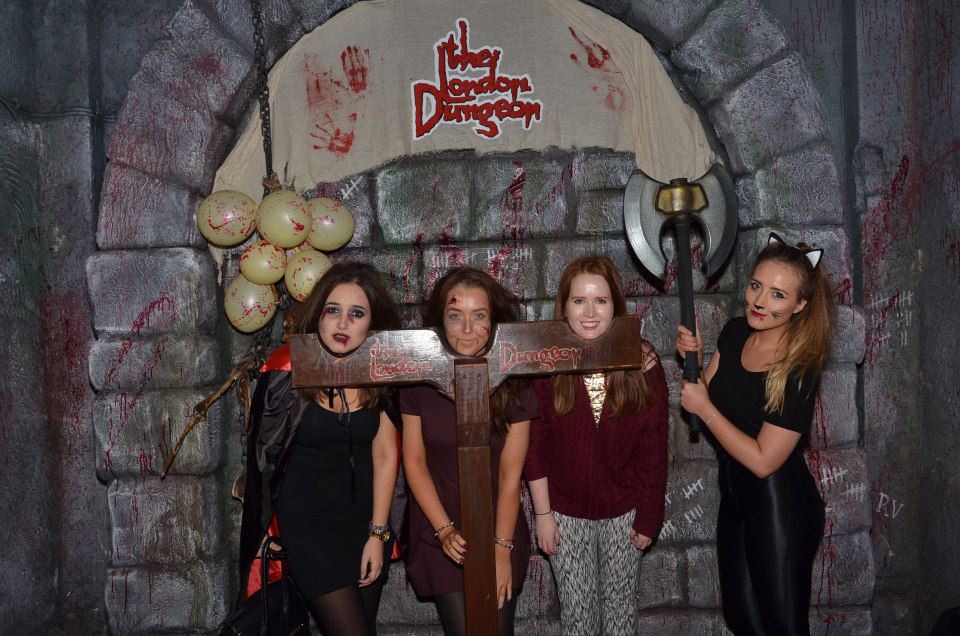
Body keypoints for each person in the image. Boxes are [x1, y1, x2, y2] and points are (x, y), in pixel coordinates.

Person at [676, 234, 833, 635]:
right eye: (756, 286)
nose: (760, 301)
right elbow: (703, 396)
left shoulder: (798, 367)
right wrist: (693, 361)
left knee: (783, 627)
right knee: (744, 620)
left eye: (778, 295)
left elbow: (764, 461)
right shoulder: (734, 333)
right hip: (734, 494)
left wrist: (705, 409)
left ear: (800, 305)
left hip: (780, 503)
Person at [237, 261, 401, 636]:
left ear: (372, 324)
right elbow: (264, 460)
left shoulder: (380, 372)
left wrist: (377, 534)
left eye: (357, 313)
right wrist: (266, 530)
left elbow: (385, 454)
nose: (343, 323)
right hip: (308, 529)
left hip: (363, 524)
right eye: (333, 310)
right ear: (318, 316)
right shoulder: (286, 369)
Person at [525, 254, 669, 635]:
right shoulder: (547, 363)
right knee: (579, 620)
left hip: (624, 512)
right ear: (564, 307)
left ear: (615, 307)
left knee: (620, 618)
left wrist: (649, 514)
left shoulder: (642, 364)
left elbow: (655, 448)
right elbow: (535, 446)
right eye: (579, 300)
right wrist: (542, 514)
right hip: (564, 514)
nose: (590, 312)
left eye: (600, 301)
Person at [399, 267, 537, 636]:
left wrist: (502, 550)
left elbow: (510, 475)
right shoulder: (418, 381)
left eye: (479, 316)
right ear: (440, 321)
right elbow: (414, 462)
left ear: (495, 322)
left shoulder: (514, 383)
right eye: (455, 316)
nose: (466, 329)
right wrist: (444, 530)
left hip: (499, 526)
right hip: (439, 523)